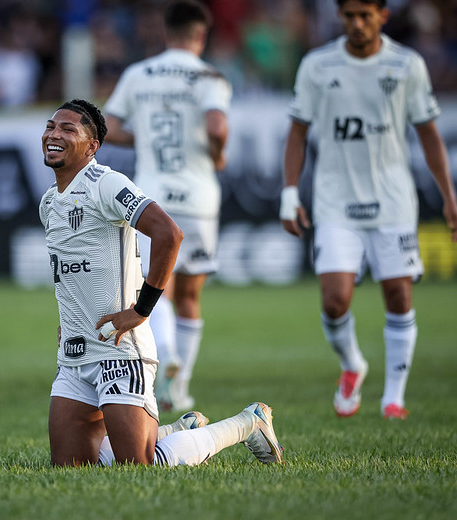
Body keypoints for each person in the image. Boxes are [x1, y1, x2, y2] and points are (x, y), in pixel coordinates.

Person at [40, 98, 282, 466]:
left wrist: (140, 310)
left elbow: (169, 233)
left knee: (140, 466)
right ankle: (176, 430)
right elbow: (71, 269)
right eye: (50, 127)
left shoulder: (106, 183)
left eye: (67, 129)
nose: (53, 134)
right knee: (72, 468)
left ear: (92, 147)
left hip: (119, 351)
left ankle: (247, 423)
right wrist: (68, 321)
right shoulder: (48, 203)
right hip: (74, 355)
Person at [280, 0, 457, 420]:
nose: (357, 24)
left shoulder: (407, 65)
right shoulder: (317, 65)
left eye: (366, 15)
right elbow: (296, 134)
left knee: (399, 295)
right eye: (349, 16)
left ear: (383, 15)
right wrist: (289, 194)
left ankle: (393, 397)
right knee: (334, 301)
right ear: (340, 17)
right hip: (335, 203)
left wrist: (450, 197)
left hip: (393, 203)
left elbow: (431, 135)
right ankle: (352, 365)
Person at [103, 0, 230, 412]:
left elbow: (110, 126)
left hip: (153, 197)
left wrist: (147, 140)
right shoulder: (211, 76)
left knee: (158, 286)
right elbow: (217, 126)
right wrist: (218, 151)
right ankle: (182, 386)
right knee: (191, 293)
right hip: (199, 198)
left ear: (165, 32)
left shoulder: (139, 74)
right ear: (201, 34)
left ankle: (166, 359)